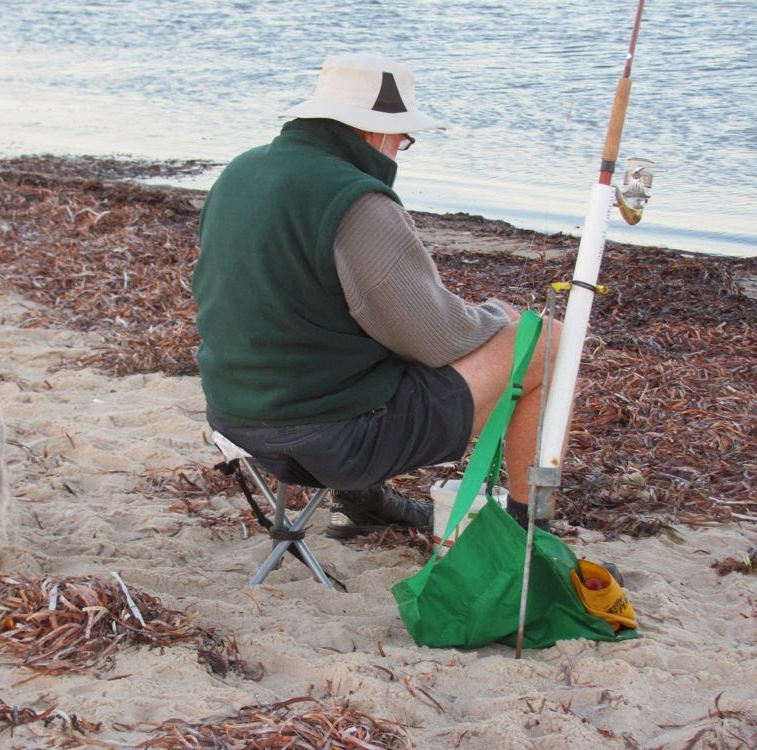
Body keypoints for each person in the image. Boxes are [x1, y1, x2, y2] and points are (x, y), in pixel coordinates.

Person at [192, 53, 562, 540]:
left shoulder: (241, 172)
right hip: (325, 441)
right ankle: (527, 533)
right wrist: (502, 318)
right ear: (376, 131)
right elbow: (435, 338)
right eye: (403, 139)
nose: (399, 152)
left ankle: (362, 502)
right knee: (547, 342)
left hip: (233, 416)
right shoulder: (355, 198)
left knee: (349, 336)